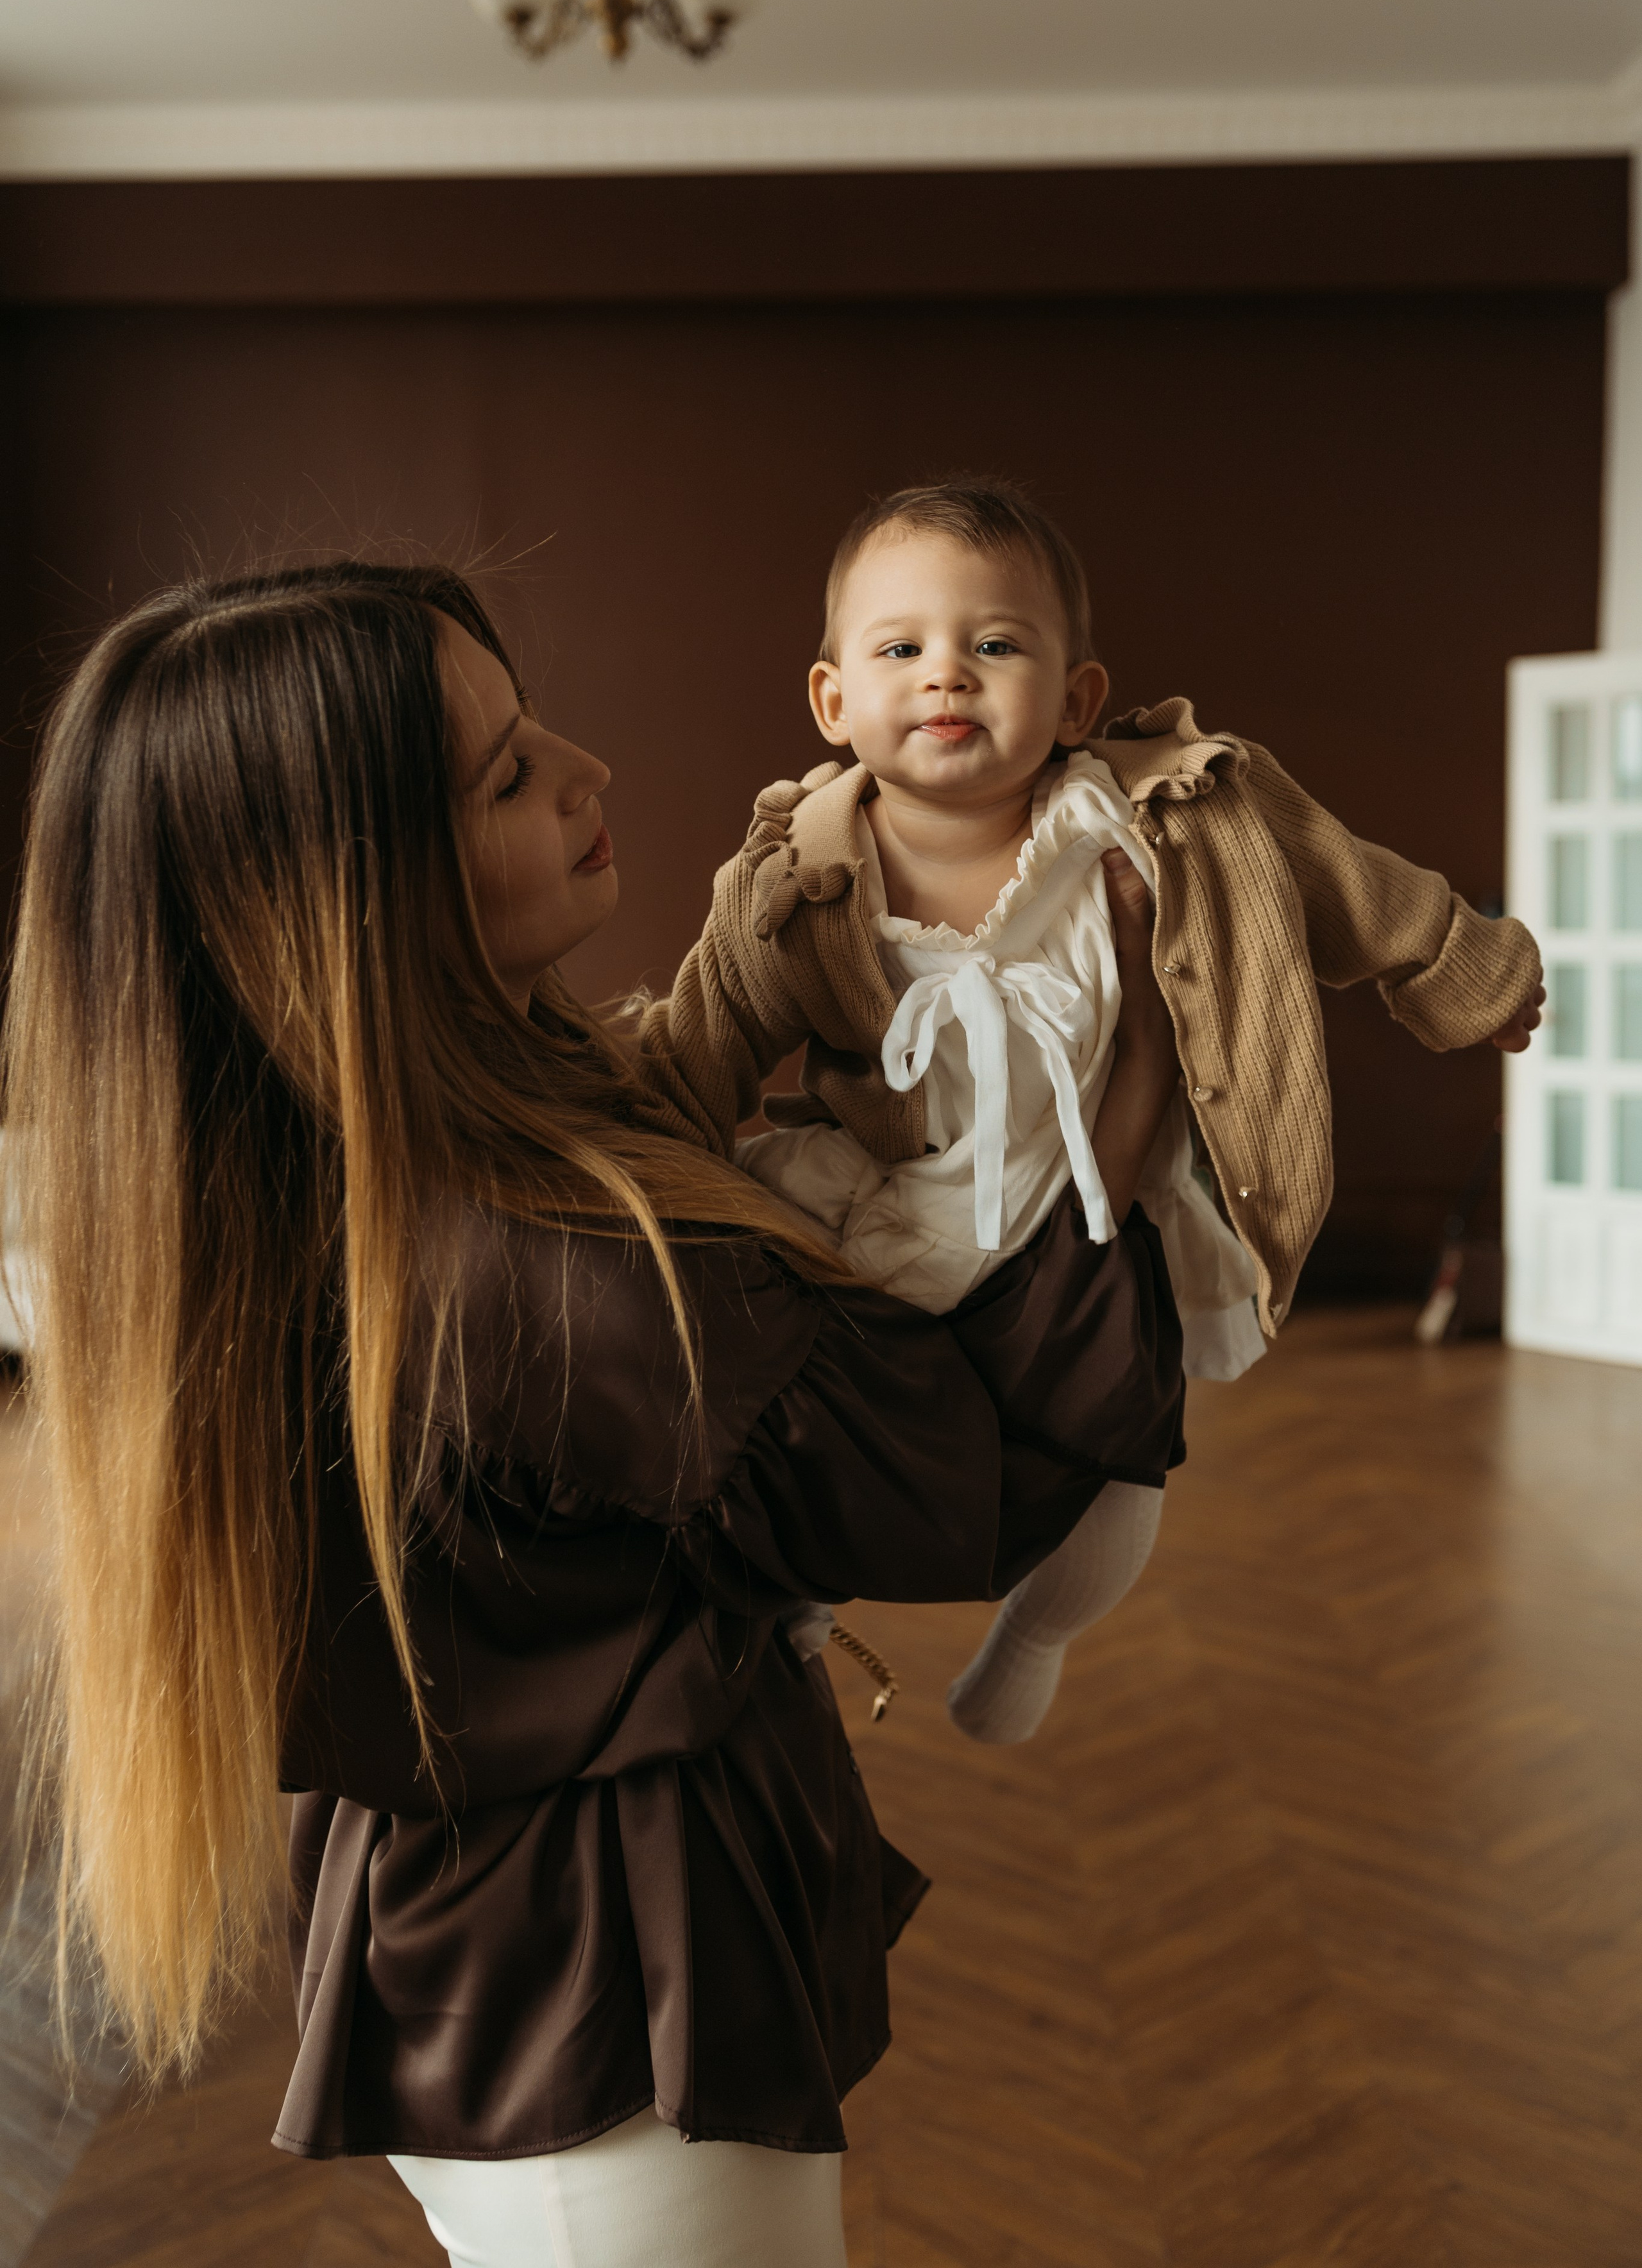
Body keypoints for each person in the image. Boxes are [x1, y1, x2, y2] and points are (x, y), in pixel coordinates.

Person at [5, 561, 1189, 2268]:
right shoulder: (553, 1268)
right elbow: (980, 1474)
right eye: (507, 775)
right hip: (607, 2023)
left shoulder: (297, 1171)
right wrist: (1124, 1097)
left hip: (476, 1946)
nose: (587, 772)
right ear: (354, 900)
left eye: (536, 725)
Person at [636, 479, 1546, 1744]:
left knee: (1119, 1467)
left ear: (1073, 698)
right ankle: (794, 1595)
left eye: (994, 644)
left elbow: (1336, 878)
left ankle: (1037, 1634)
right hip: (884, 1200)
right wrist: (606, 1156)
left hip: (1085, 1198)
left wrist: (1461, 969)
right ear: (833, 702)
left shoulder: (1160, 819)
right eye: (901, 649)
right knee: (796, 1420)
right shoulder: (796, 881)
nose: (947, 673)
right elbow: (700, 1040)